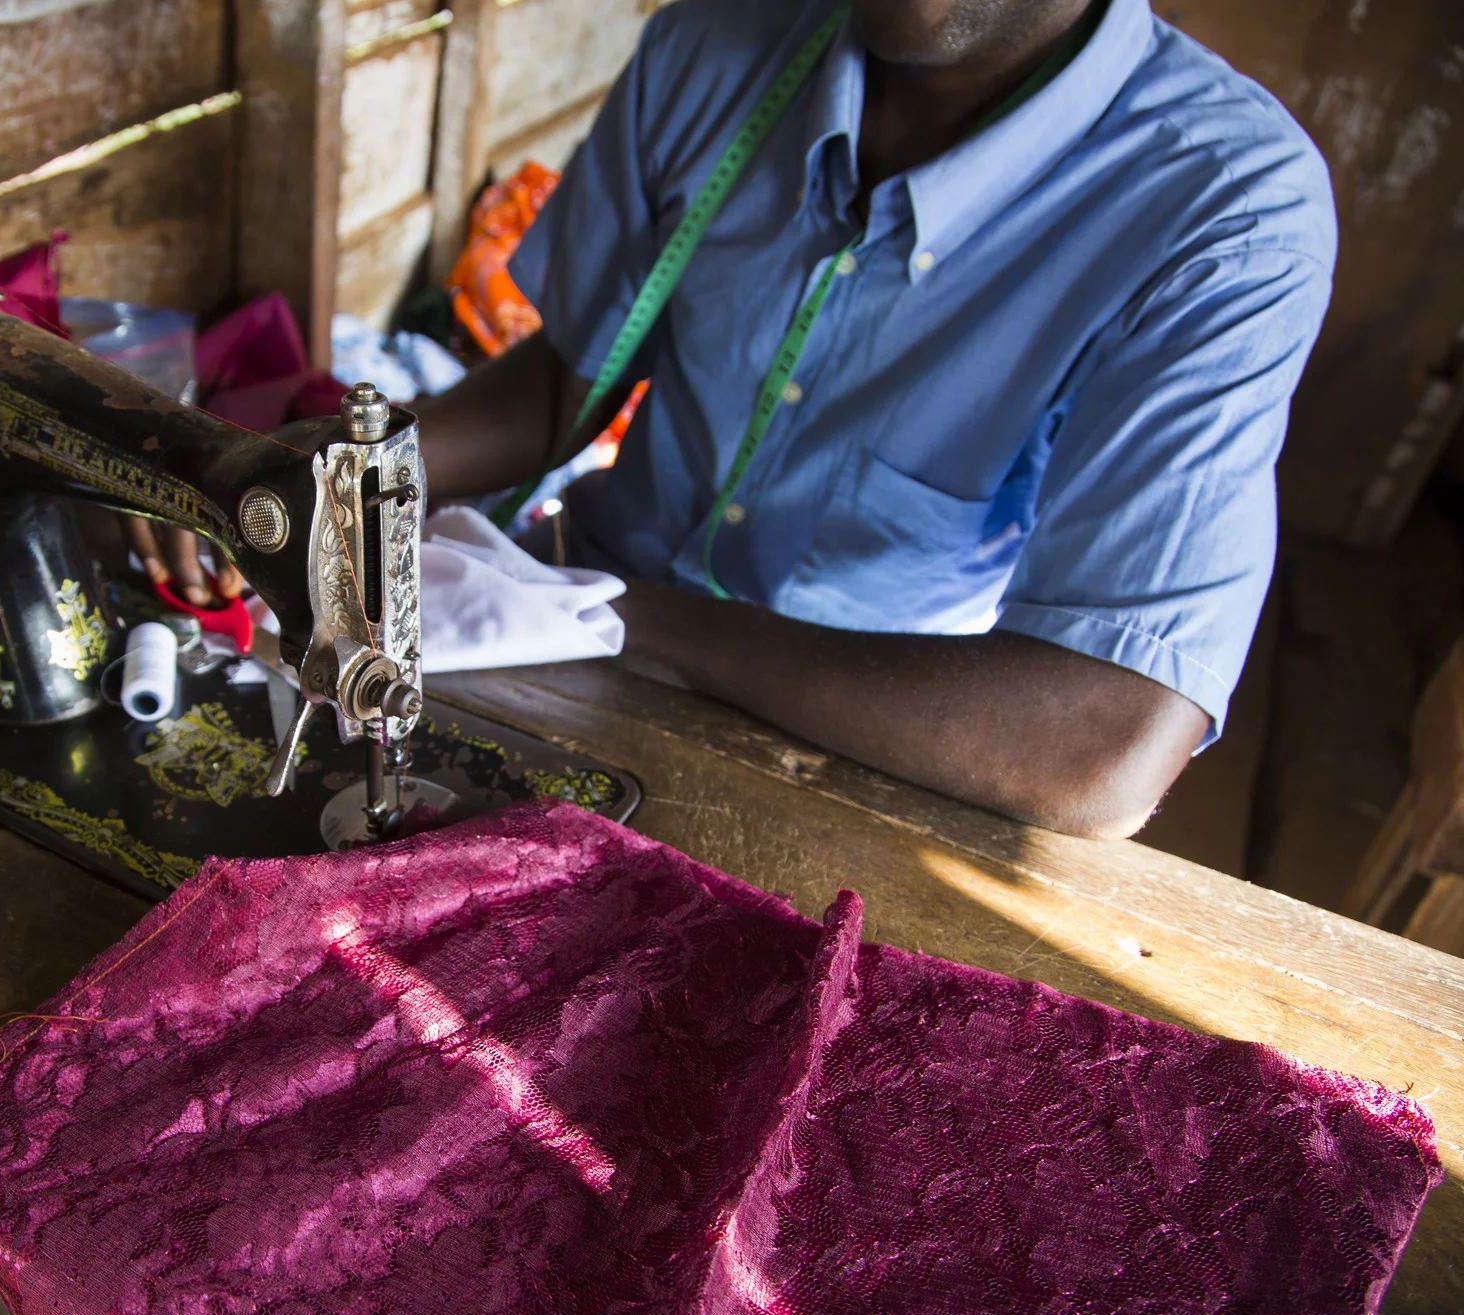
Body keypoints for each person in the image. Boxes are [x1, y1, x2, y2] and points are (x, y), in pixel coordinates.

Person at [136, 0, 1335, 839]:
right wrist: (340, 477)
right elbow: (570, 383)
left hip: (896, 732)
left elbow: (1098, 746)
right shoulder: (717, 45)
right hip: (578, 629)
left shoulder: (1222, 211)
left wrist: (634, 621)